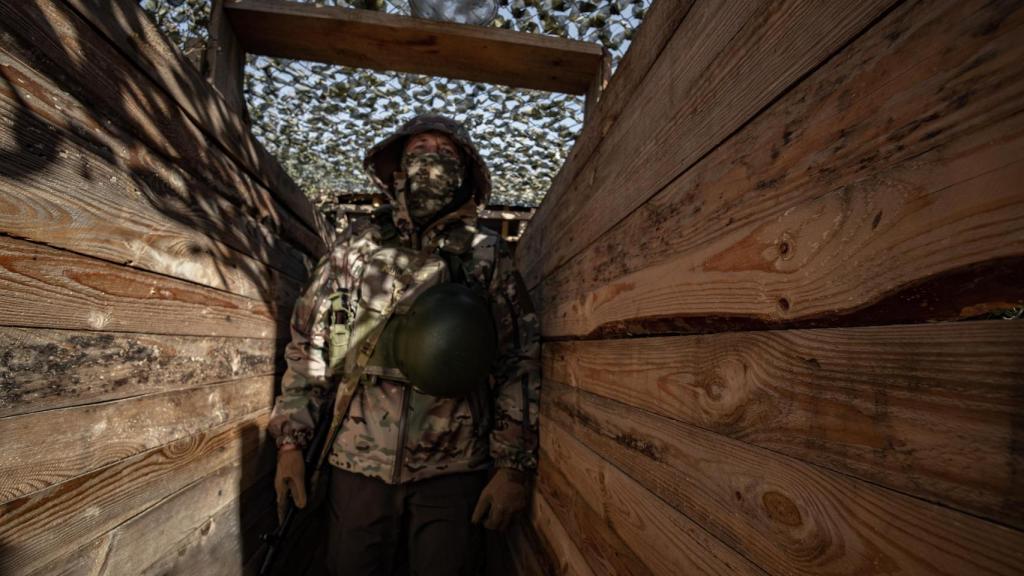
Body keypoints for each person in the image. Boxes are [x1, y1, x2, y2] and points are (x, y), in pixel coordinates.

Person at [268, 114, 541, 576]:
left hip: (452, 472)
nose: (430, 162)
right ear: (397, 167)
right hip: (356, 465)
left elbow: (519, 361)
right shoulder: (357, 249)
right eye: (418, 151)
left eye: (446, 153)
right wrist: (291, 446)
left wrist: (512, 467)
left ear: (465, 172)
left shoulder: (486, 256)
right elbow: (311, 346)